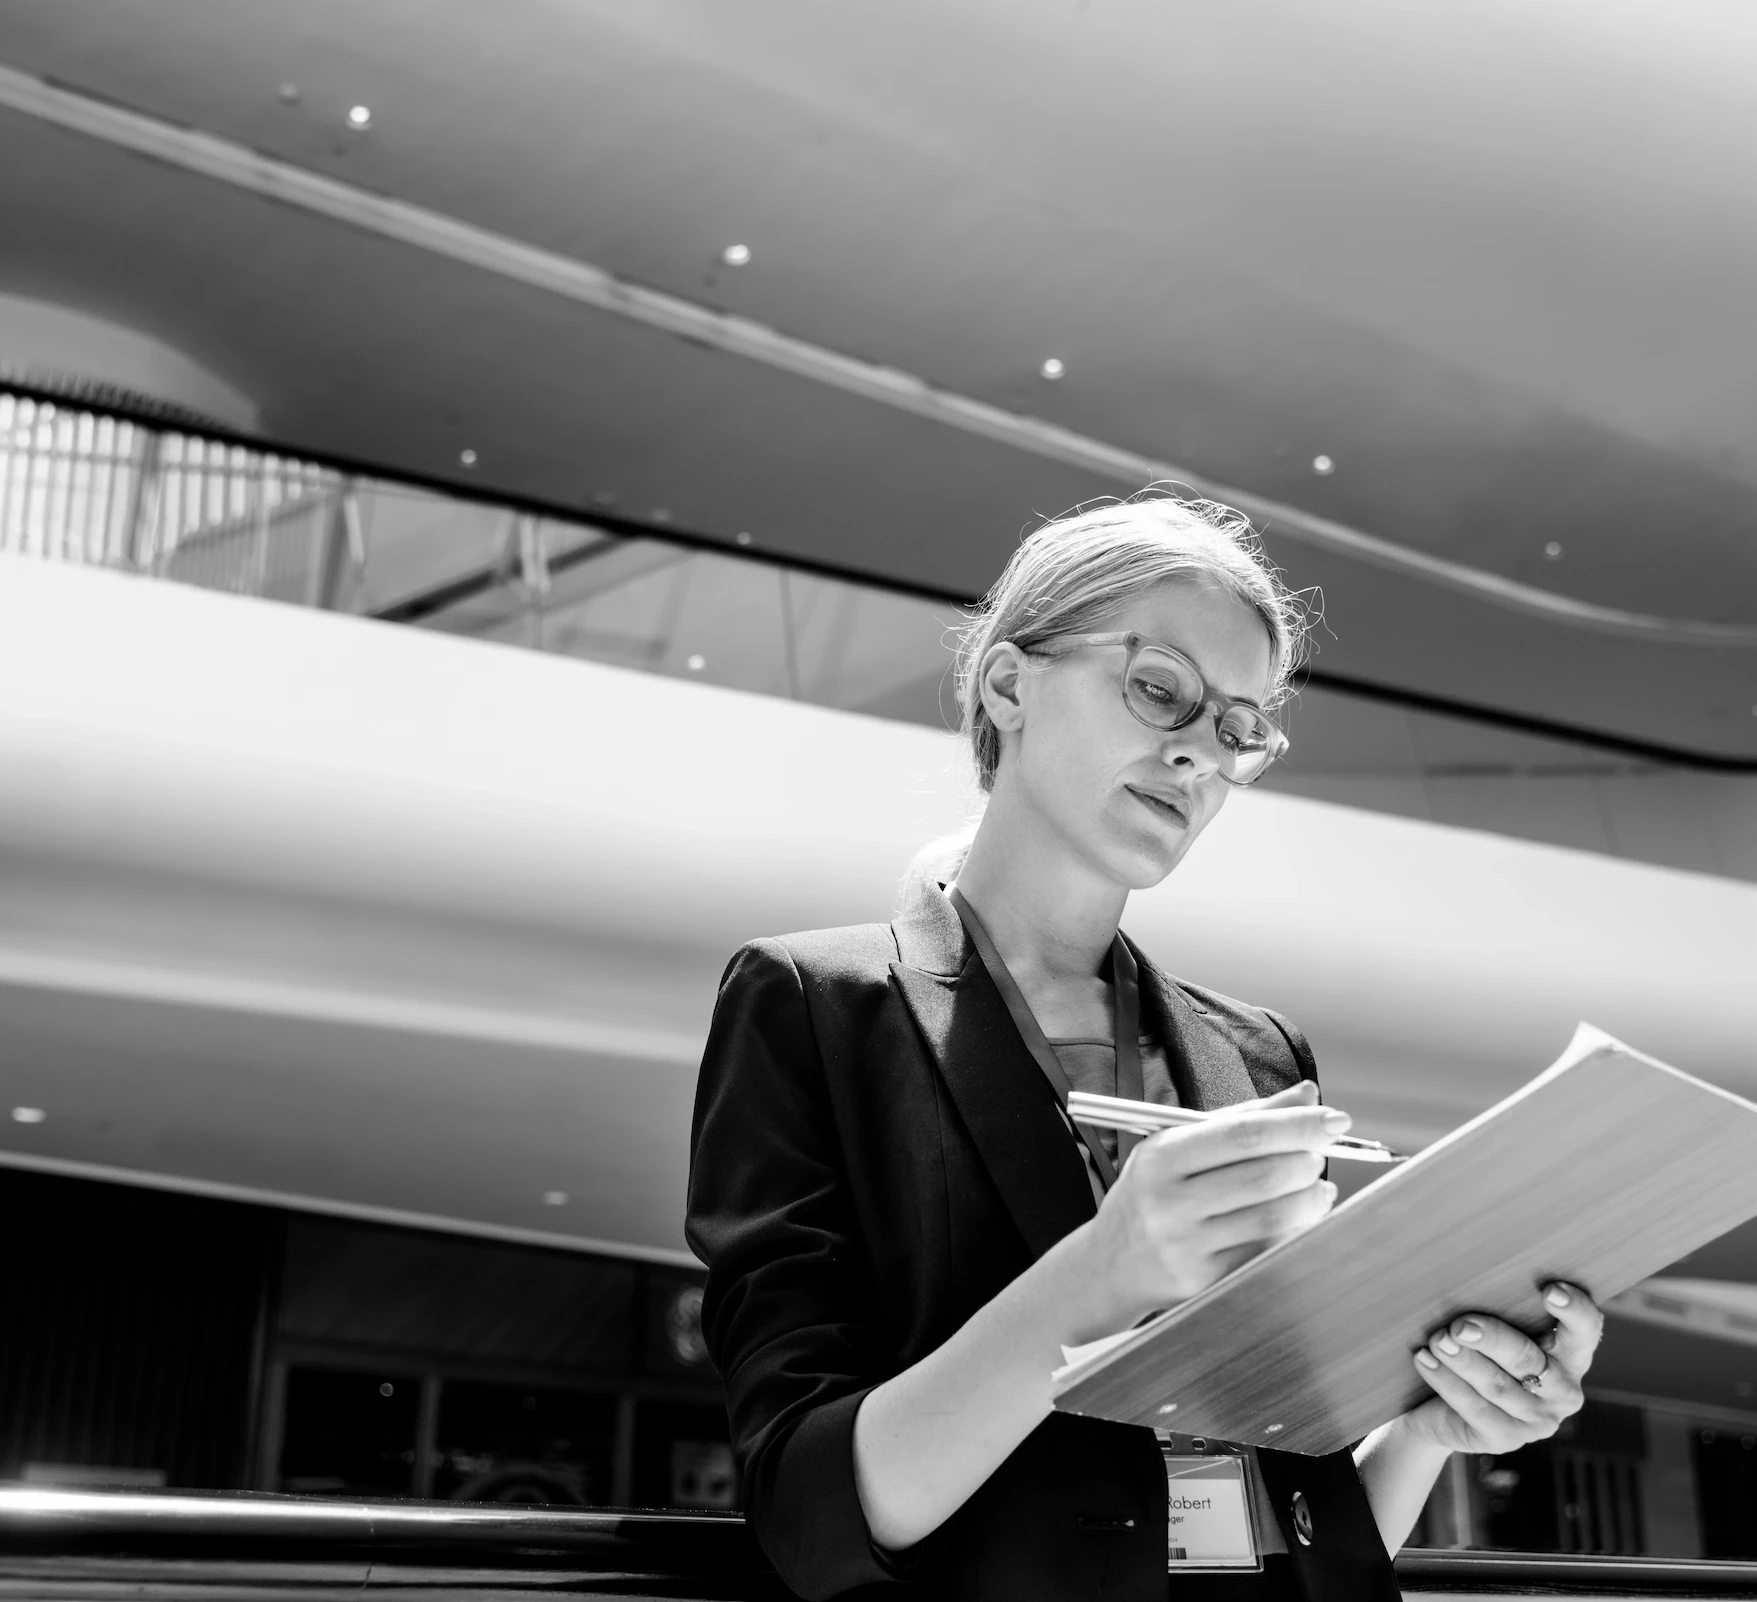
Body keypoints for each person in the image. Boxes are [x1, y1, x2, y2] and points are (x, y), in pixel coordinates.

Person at [686, 494, 1604, 1601]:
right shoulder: (813, 1005)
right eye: (1160, 689)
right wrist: (1096, 1279)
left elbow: (1296, 1504)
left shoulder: (1260, 1058)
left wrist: (1431, 1428)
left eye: (1237, 729)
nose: (1196, 758)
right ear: (1009, 685)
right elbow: (813, 1511)